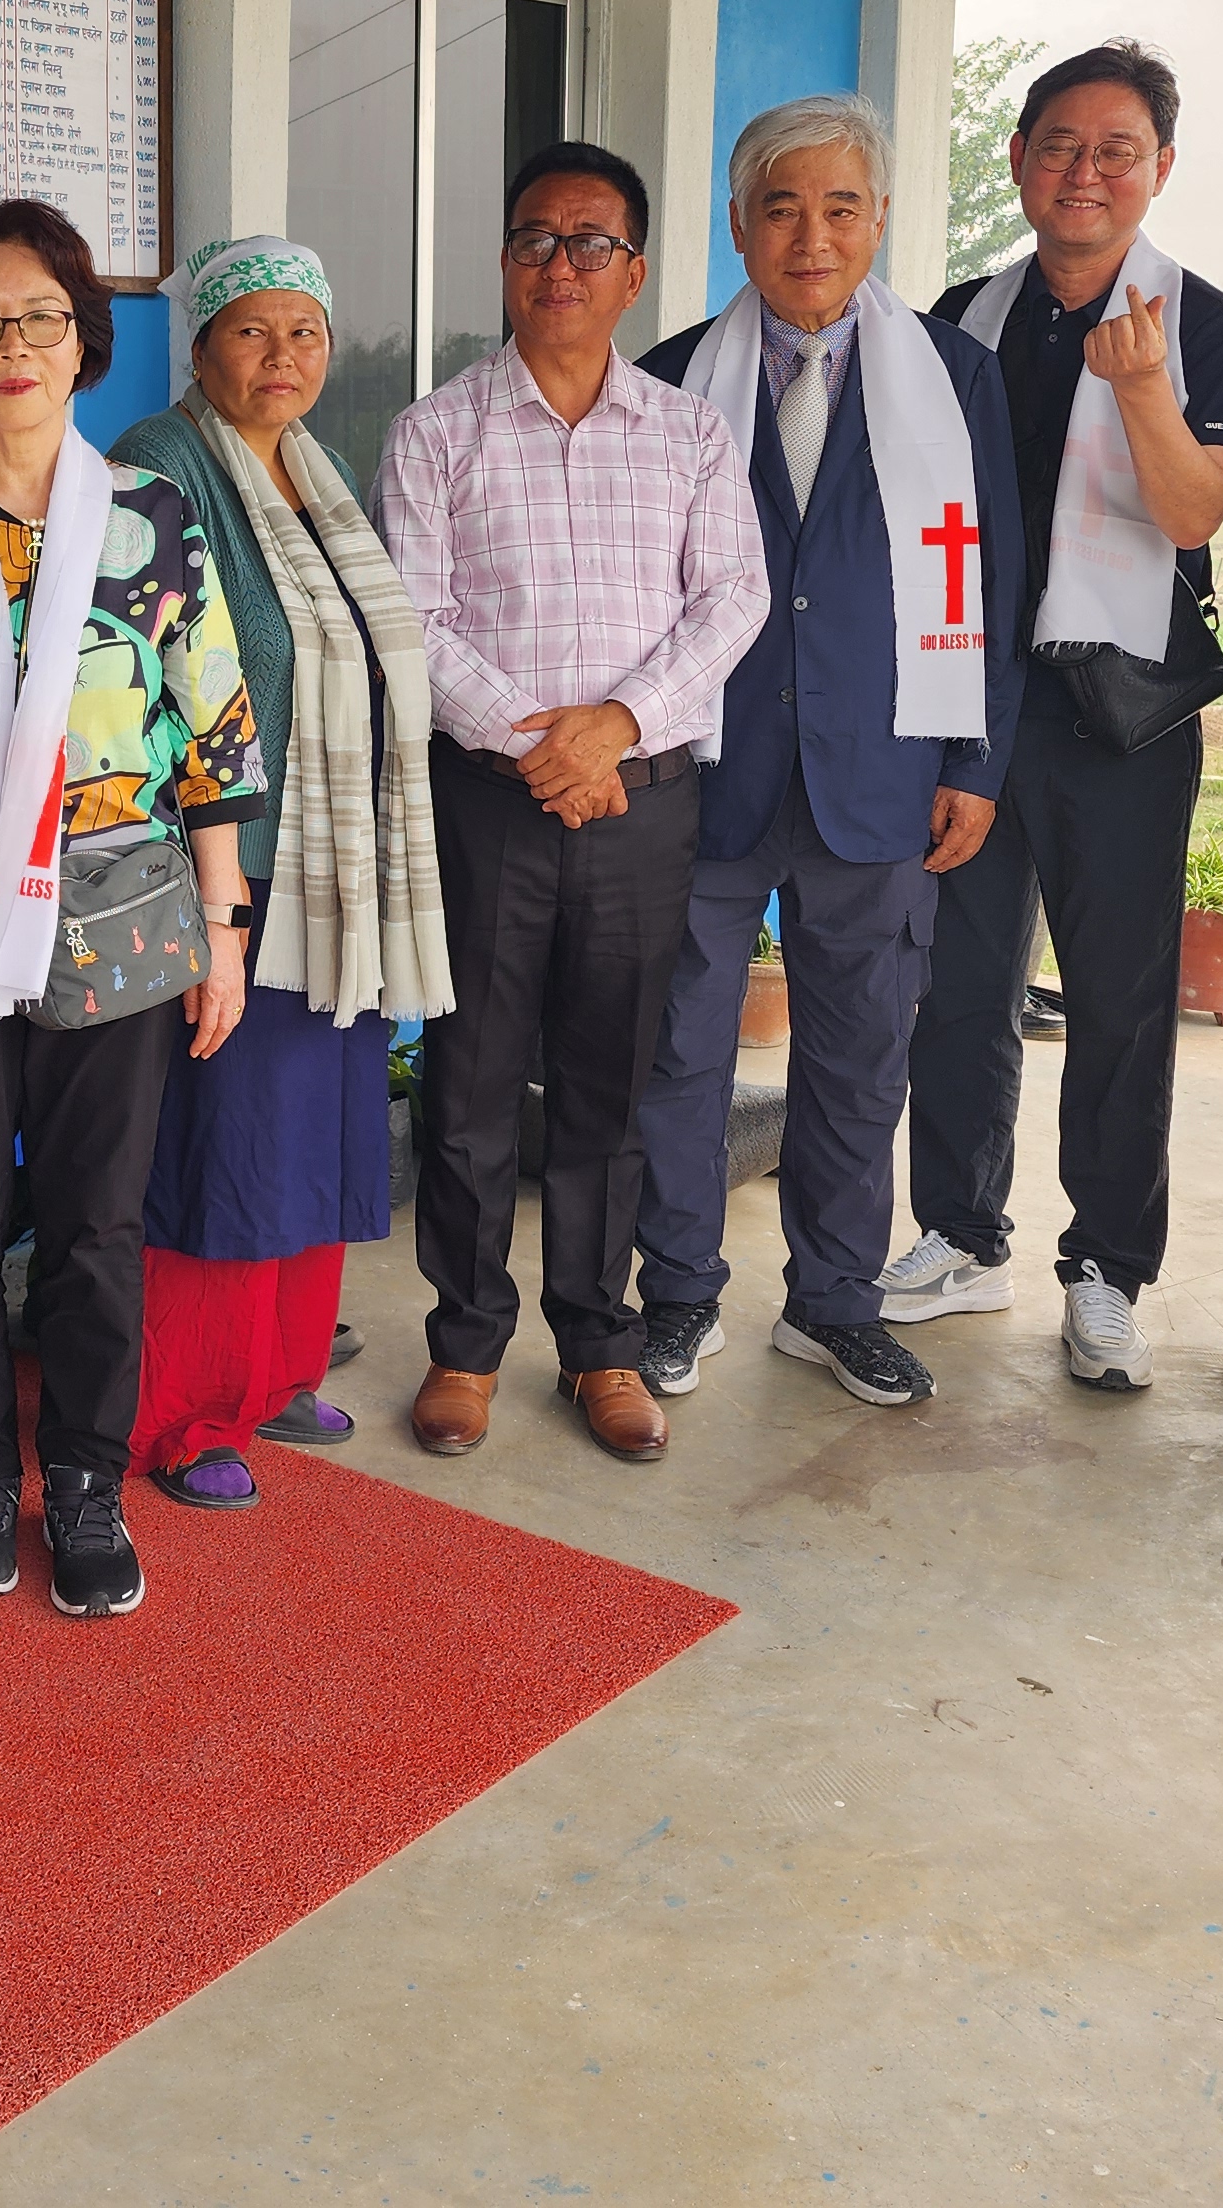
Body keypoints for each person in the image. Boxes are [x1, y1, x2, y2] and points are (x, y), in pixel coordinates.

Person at [0, 199, 263, 1611]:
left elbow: (212, 733)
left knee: (96, 1226)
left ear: (83, 343)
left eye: (39, 317)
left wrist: (224, 931)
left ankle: (85, 1483)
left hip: (127, 920)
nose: (12, 345)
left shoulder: (152, 518)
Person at [374, 142, 769, 1463]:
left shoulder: (688, 433)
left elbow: (733, 599)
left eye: (591, 242)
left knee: (611, 1083)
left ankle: (600, 1345)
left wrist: (618, 728)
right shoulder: (435, 432)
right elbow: (411, 620)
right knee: (472, 1084)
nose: (562, 264)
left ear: (634, 273)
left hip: (642, 806)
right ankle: (465, 1347)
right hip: (489, 804)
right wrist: (539, 747)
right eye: (536, 239)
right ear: (504, 261)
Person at [634, 95, 1024, 1415]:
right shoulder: (671, 377)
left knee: (859, 1056)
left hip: (884, 768)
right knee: (681, 1049)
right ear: (738, 225)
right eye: (782, 208)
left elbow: (995, 573)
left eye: (841, 207)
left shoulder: (954, 377)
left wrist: (974, 761)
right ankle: (677, 1291)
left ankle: (836, 1301)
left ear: (881, 220)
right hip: (705, 770)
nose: (812, 236)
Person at [892, 40, 1223, 1391]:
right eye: (1060, 144)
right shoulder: (964, 315)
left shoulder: (1202, 320)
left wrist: (1143, 385)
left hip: (1122, 713)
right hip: (980, 703)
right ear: (1018, 160)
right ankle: (959, 1233)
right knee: (958, 985)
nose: (1085, 172)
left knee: (1118, 1000)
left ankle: (1106, 1267)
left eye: (1117, 150)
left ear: (1160, 168)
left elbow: (1192, 512)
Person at [109, 237, 447, 1510]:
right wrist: (217, 889)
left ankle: (277, 1373)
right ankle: (187, 1413)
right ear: (201, 346)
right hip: (230, 869)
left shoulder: (316, 467)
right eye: (251, 331)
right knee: (224, 1144)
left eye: (303, 331)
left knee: (314, 1135)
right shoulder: (160, 461)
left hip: (331, 867)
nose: (281, 356)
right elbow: (158, 682)